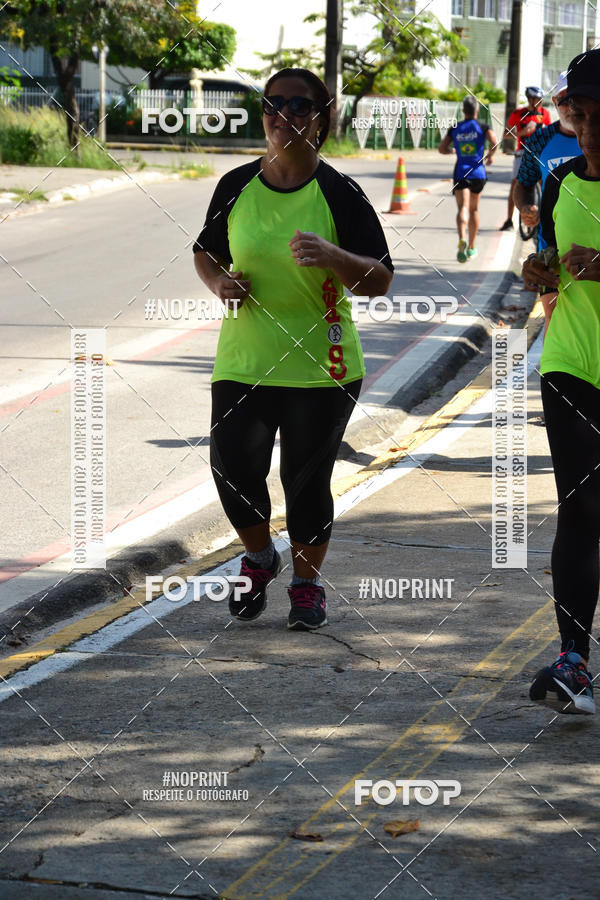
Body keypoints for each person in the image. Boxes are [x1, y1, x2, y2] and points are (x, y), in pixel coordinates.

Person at [192, 68, 394, 631]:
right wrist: (219, 283)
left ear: (322, 119)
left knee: (303, 483)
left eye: (300, 106)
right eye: (274, 104)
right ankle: (259, 557)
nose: (285, 115)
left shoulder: (340, 193)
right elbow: (205, 251)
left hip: (322, 365)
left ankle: (306, 585)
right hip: (245, 358)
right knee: (232, 469)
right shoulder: (235, 184)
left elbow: (380, 279)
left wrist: (335, 256)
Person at [521, 48, 600, 715]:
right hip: (571, 364)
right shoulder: (560, 180)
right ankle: (574, 659)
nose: (591, 129)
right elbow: (547, 261)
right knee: (581, 508)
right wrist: (537, 272)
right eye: (581, 114)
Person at [515, 72, 582, 334]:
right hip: (551, 247)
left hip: (593, 246)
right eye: (565, 100)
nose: (571, 107)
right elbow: (523, 183)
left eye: (577, 99)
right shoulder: (540, 140)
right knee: (553, 322)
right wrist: (525, 208)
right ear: (554, 102)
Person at [438, 95, 498, 262]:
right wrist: (490, 156)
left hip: (461, 172)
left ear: (463, 111)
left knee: (462, 208)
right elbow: (494, 142)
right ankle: (471, 247)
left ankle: (462, 239)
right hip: (478, 173)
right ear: (477, 110)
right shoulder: (483, 126)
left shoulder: (455, 127)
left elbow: (441, 148)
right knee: (474, 210)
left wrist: (452, 151)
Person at [501, 86, 551, 231]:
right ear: (530, 99)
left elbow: (550, 133)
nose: (539, 102)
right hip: (522, 152)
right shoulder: (518, 113)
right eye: (537, 99)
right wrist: (523, 132)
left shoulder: (545, 113)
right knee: (515, 185)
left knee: (544, 184)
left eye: (541, 99)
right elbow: (505, 135)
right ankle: (509, 220)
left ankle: (542, 218)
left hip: (540, 152)